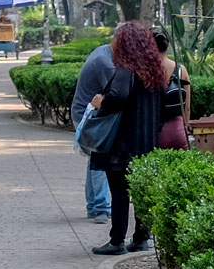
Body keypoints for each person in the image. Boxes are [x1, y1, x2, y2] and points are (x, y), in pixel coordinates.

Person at [86, 21, 168, 256]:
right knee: (141, 191)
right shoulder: (155, 71)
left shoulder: (126, 69)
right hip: (146, 142)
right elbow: (164, 106)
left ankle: (116, 241)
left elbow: (118, 95)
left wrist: (102, 102)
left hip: (122, 143)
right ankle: (141, 238)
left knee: (120, 192)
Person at [71, 40, 115, 222]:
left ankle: (94, 206)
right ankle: (101, 207)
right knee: (100, 156)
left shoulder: (103, 52)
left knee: (94, 158)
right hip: (88, 116)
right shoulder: (106, 63)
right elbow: (116, 94)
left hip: (83, 113)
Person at [153, 30, 191, 149]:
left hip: (154, 131)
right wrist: (185, 128)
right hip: (177, 129)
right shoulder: (181, 69)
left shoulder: (145, 71)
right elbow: (187, 107)